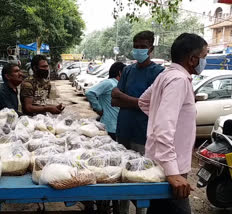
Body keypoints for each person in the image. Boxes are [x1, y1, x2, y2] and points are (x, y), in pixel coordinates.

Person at [112, 33, 208, 214]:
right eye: (204, 57)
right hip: (171, 168)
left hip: (162, 164)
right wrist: (173, 172)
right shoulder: (178, 80)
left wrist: (158, 115)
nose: (205, 61)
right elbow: (163, 128)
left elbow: (143, 102)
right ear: (193, 59)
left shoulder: (166, 75)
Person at [112, 30, 164, 155]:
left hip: (143, 135)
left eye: (143, 47)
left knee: (141, 172)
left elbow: (153, 106)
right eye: (136, 47)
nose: (138, 50)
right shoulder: (127, 70)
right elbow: (114, 101)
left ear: (151, 49)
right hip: (123, 131)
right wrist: (140, 103)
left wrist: (122, 96)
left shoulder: (159, 73)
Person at [85, 62, 125, 141]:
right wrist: (98, 108)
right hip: (109, 125)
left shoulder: (119, 85)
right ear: (120, 73)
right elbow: (89, 93)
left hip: (118, 125)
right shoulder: (109, 83)